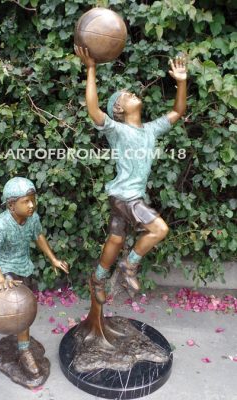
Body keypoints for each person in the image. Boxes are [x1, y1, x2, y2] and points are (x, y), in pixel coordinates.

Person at [75, 46, 187, 304]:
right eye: (126, 96)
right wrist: (91, 68)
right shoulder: (116, 130)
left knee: (115, 239)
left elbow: (178, 111)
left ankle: (98, 278)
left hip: (123, 196)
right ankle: (130, 265)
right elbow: (93, 110)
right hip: (127, 197)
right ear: (118, 110)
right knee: (159, 229)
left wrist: (181, 83)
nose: (132, 94)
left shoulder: (151, 129)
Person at [0, 177, 69, 376]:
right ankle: (24, 351)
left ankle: (22, 341)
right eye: (26, 201)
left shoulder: (33, 218)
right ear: (11, 205)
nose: (32, 205)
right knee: (19, 310)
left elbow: (38, 236)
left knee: (26, 310)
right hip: (6, 272)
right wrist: (1, 280)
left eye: (33, 199)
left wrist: (54, 259)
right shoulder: (2, 224)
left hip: (25, 269)